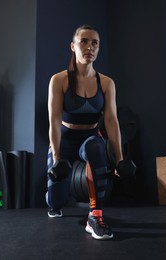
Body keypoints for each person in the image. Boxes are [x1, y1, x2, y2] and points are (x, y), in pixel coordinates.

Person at [46, 24, 124, 240]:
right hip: (65, 138)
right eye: (84, 41)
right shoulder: (59, 80)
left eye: (95, 43)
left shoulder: (106, 83)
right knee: (56, 199)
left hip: (90, 136)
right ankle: (53, 200)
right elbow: (54, 120)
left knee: (96, 147)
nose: (90, 46)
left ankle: (95, 217)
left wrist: (120, 160)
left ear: (98, 49)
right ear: (73, 46)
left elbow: (111, 121)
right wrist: (57, 158)